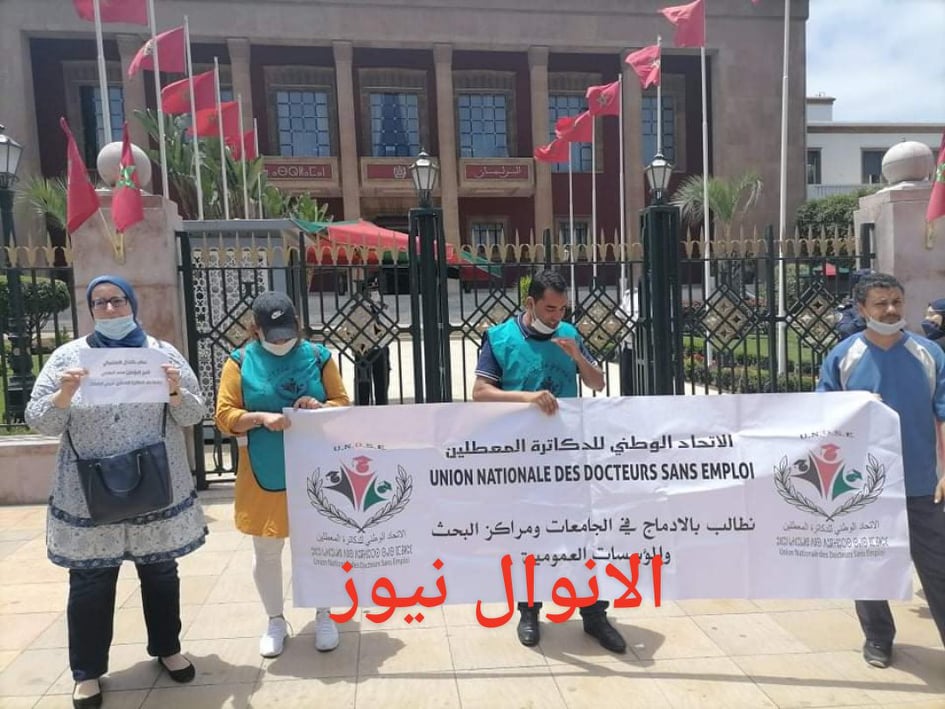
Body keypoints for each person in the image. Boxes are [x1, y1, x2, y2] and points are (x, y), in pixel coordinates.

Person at [25, 275, 207, 708]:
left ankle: (167, 648)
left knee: (159, 571)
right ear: (90, 309)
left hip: (154, 483)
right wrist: (64, 394)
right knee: (91, 578)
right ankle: (87, 672)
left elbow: (194, 415)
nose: (109, 309)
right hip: (89, 489)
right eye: (100, 302)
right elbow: (39, 420)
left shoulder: (161, 354)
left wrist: (174, 391)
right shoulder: (69, 357)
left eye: (118, 300)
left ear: (132, 303)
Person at [471, 269, 626, 654]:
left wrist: (578, 357)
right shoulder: (499, 338)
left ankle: (594, 613)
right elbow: (480, 392)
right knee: (529, 534)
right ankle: (529, 610)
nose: (556, 316)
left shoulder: (569, 335)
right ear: (531, 303)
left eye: (562, 309)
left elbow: (597, 383)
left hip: (569, 455)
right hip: (522, 457)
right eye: (549, 309)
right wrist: (528, 398)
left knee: (583, 533)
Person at [816, 272, 945, 669]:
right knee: (867, 566)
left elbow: (943, 413)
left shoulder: (928, 354)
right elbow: (823, 416)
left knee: (938, 567)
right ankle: (878, 638)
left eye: (896, 302)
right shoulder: (844, 356)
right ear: (862, 309)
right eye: (880, 303)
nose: (890, 310)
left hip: (921, 483)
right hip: (862, 485)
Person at [214, 291, 350, 658]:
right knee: (267, 549)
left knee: (319, 545)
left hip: (316, 470)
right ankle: (275, 619)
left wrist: (319, 406)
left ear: (298, 325)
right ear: (255, 329)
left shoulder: (318, 357)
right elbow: (224, 416)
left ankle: (324, 613)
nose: (281, 341)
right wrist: (259, 418)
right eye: (273, 336)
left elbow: (342, 403)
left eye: (287, 333)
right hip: (265, 469)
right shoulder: (240, 363)